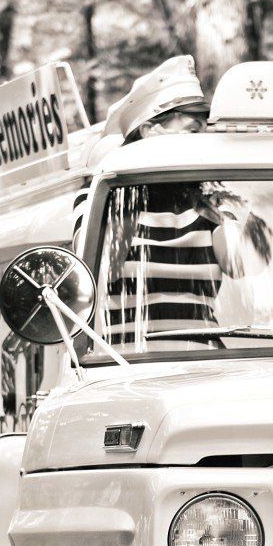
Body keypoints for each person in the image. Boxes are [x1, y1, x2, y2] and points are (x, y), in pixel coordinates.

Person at [72, 57, 224, 346]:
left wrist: (230, 201)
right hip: (131, 365)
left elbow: (245, 267)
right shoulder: (101, 195)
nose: (202, 141)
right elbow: (106, 267)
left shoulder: (204, 202)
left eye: (204, 131)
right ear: (150, 131)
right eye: (193, 130)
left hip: (206, 362)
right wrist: (128, 177)